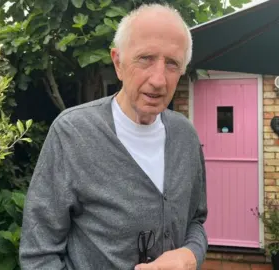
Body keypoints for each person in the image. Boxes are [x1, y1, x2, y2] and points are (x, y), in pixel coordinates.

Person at [19, 3, 208, 270]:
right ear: (118, 63)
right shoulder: (73, 133)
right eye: (146, 59)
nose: (158, 80)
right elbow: (38, 254)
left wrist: (190, 255)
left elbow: (196, 222)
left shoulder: (185, 136)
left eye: (172, 64)